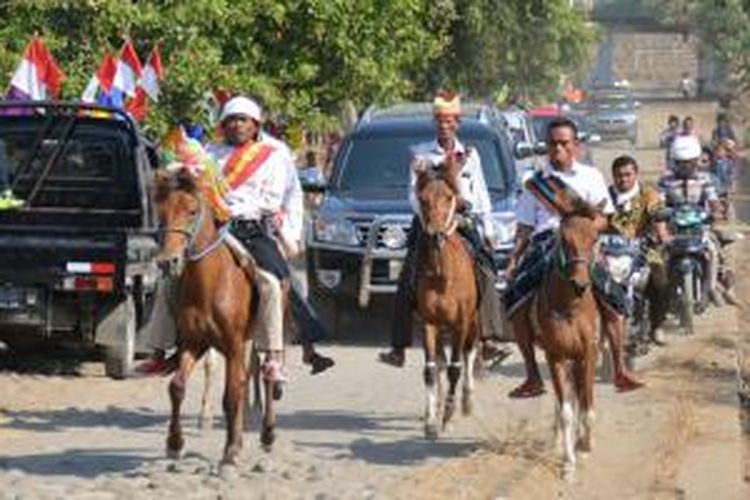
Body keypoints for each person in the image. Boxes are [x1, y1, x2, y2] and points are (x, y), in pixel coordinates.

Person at [137, 97, 333, 378]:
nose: (237, 125)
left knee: (272, 282)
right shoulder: (209, 152)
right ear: (222, 125)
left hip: (252, 228)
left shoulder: (274, 153)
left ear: (255, 125)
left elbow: (273, 197)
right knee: (170, 279)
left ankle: (274, 355)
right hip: (212, 228)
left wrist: (236, 208)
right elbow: (191, 184)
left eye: (243, 120)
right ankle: (159, 351)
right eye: (231, 120)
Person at [378, 91, 507, 368]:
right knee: (408, 273)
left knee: (485, 266)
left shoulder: (470, 156)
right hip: (428, 221)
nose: (444, 126)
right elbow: (411, 194)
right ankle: (398, 346)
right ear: (434, 123)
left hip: (461, 220)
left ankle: (489, 338)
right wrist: (427, 215)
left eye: (449, 121)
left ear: (457, 123)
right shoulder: (420, 155)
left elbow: (481, 194)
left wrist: (486, 227)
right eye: (439, 121)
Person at [504, 117, 616, 398]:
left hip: (582, 245)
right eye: (552, 144)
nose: (558, 149)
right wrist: (515, 258)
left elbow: (606, 219)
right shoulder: (537, 183)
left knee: (616, 296)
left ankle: (620, 365)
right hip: (545, 244)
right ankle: (532, 374)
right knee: (514, 297)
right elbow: (526, 226)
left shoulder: (591, 177)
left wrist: (585, 226)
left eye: (564, 143)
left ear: (575, 145)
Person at [607, 156, 671, 347]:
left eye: (628, 175)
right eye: (619, 175)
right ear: (613, 176)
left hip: (644, 249)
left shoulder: (648, 194)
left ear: (636, 174)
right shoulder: (605, 195)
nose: (623, 180)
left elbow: (658, 217)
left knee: (660, 281)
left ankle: (656, 325)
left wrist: (662, 234)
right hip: (610, 252)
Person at [657, 135, 727, 307]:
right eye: (681, 162)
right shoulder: (665, 181)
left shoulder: (706, 179)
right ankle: (661, 293)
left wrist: (716, 211)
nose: (685, 166)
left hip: (700, 228)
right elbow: (658, 204)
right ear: (674, 161)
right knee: (659, 255)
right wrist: (659, 219)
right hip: (674, 231)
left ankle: (710, 288)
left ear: (696, 160)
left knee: (712, 248)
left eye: (689, 162)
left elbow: (713, 201)